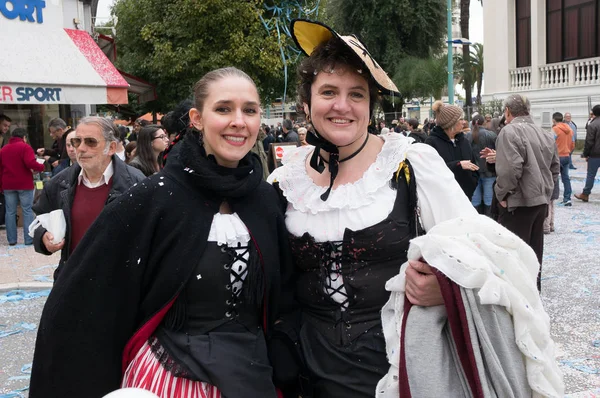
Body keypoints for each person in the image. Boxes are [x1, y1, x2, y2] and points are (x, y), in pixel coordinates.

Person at [268, 19, 561, 398]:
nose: (342, 106)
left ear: (371, 106)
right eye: (328, 92)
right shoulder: (285, 182)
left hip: (399, 371)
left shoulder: (410, 166)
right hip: (304, 375)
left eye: (357, 94)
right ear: (307, 103)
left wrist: (448, 288)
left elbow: (490, 260)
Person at [30, 67, 294, 398]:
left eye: (250, 110)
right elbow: (84, 294)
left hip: (254, 375)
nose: (238, 121)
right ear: (197, 118)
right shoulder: (155, 196)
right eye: (223, 108)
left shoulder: (266, 200)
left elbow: (285, 295)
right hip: (169, 378)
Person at [31, 117, 145, 281]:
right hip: (72, 280)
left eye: (91, 142)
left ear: (111, 147)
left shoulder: (136, 183)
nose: (81, 148)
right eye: (77, 141)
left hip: (119, 283)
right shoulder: (59, 183)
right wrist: (43, 237)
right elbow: (39, 220)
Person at [494, 94, 559, 291]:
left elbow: (511, 170)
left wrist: (502, 194)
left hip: (519, 202)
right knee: (534, 253)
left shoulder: (510, 131)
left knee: (515, 256)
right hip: (539, 201)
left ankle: (519, 301)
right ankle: (533, 294)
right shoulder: (544, 133)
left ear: (507, 111)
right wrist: (545, 191)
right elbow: (554, 169)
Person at [425, 101, 479, 200]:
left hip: (465, 198)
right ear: (451, 123)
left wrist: (472, 183)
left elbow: (474, 165)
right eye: (460, 119)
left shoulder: (464, 141)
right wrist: (458, 165)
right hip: (444, 200)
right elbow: (431, 171)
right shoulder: (432, 142)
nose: (464, 122)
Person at [0, 128, 45, 245]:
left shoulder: (3, 149)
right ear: (24, 137)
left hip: (8, 185)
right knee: (27, 211)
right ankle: (29, 239)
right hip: (24, 184)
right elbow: (30, 163)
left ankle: (12, 240)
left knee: (10, 211)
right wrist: (41, 166)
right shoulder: (25, 147)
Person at [468, 114, 497, 216]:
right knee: (489, 200)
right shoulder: (491, 135)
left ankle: (477, 221)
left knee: (475, 200)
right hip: (489, 172)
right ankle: (489, 221)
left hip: (473, 171)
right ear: (484, 122)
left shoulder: (467, 136)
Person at [575, 104, 600, 202]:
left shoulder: (592, 125)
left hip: (595, 154)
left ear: (593, 113)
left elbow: (589, 141)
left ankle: (585, 194)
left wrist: (586, 154)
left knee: (591, 175)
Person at [551, 112, 574, 206]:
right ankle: (567, 198)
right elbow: (573, 143)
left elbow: (550, 143)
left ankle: (552, 197)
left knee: (553, 177)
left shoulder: (555, 129)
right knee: (566, 178)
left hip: (557, 156)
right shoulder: (569, 129)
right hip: (567, 155)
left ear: (553, 120)